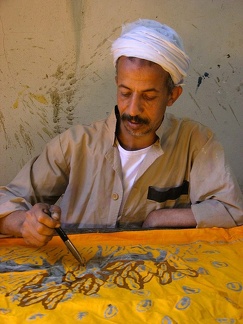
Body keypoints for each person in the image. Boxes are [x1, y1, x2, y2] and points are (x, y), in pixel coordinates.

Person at [0, 19, 243, 247]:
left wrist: (159, 219)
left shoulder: (196, 142)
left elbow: (231, 210)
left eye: (148, 96)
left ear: (172, 96)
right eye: (125, 93)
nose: (133, 110)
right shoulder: (76, 145)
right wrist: (25, 223)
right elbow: (6, 202)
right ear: (117, 83)